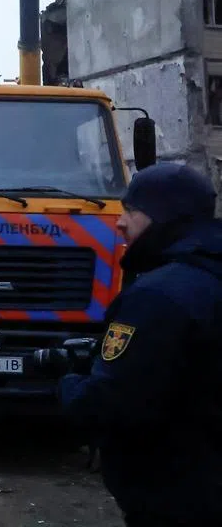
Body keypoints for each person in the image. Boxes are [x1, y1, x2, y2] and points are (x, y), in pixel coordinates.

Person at [57, 163, 222, 526]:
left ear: (162, 216)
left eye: (129, 211)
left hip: (179, 498)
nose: (119, 223)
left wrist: (69, 382)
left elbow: (110, 403)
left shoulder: (157, 296)